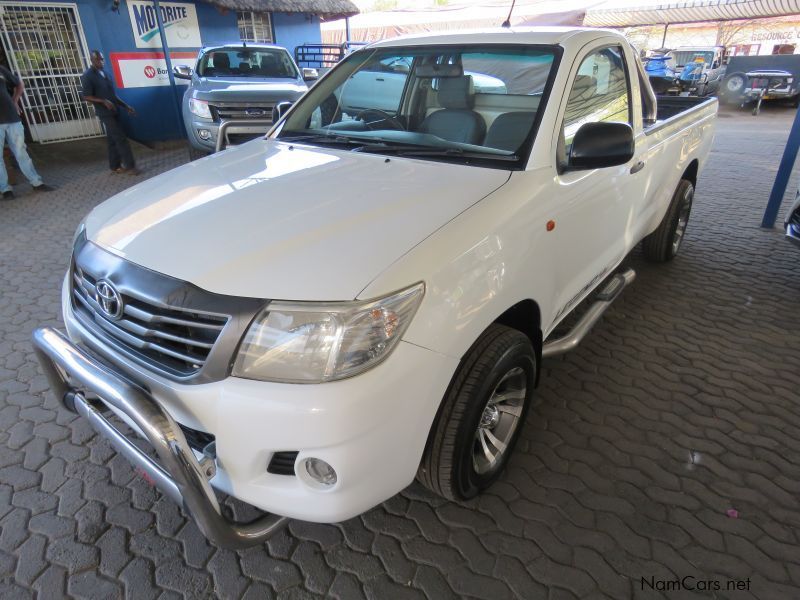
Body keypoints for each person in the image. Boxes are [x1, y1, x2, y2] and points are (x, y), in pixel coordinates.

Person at [0, 64, 55, 199]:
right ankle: (5, 190)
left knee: (21, 152)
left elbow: (19, 84)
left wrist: (15, 100)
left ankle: (36, 182)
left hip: (12, 118)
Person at [81, 51, 140, 175]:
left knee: (113, 139)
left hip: (115, 111)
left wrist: (126, 106)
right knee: (120, 138)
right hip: (104, 113)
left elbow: (112, 95)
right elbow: (86, 96)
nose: (101, 62)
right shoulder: (88, 76)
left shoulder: (106, 74)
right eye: (97, 60)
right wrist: (103, 101)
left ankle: (114, 166)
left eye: (102, 59)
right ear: (92, 60)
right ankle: (131, 166)